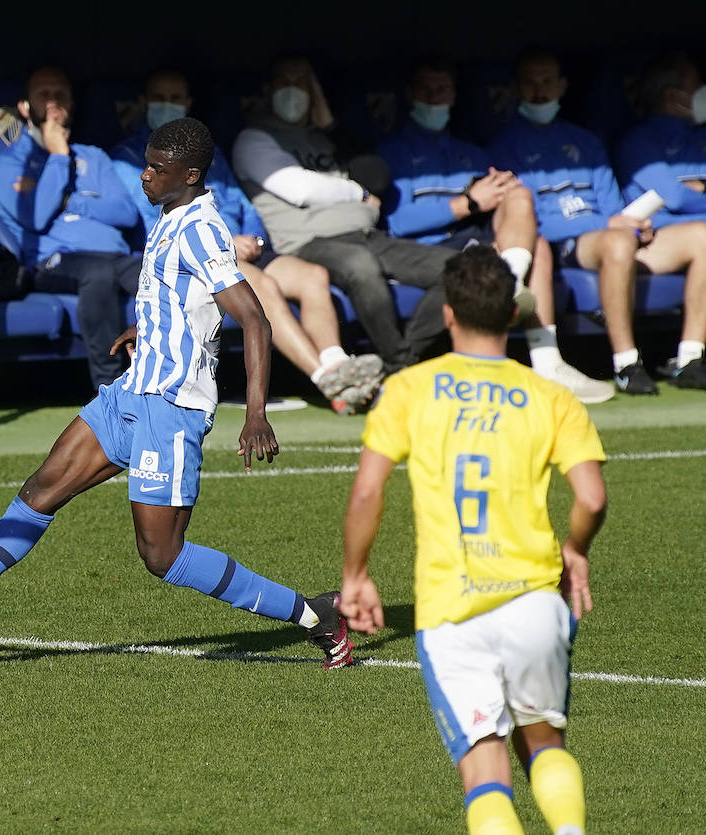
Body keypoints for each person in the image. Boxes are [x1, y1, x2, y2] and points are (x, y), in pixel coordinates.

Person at [0, 118, 355, 670]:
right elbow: (179, 297)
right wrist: (143, 329)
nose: (145, 175)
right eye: (146, 164)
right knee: (39, 492)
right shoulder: (170, 215)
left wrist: (255, 414)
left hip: (171, 408)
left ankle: (316, 615)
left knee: (161, 555)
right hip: (130, 391)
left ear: (191, 176)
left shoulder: (201, 227)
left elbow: (254, 320)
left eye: (158, 169)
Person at [340, 246, 606, 835]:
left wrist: (356, 575)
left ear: (449, 315)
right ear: (513, 314)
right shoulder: (552, 396)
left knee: (485, 768)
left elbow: (365, 494)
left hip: (450, 610)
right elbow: (590, 498)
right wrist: (576, 550)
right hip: (536, 599)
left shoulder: (410, 389)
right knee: (544, 742)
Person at [110, 68, 384, 414]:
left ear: (188, 103)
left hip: (241, 247)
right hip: (195, 255)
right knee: (262, 286)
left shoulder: (207, 153)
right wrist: (227, 242)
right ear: (143, 102)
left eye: (176, 98)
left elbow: (244, 204)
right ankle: (327, 378)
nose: (168, 105)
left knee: (313, 276)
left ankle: (336, 362)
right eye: (160, 98)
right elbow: (157, 220)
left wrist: (253, 239)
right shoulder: (132, 156)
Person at [377, 57, 615, 404]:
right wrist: (465, 204)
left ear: (454, 95)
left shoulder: (473, 153)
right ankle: (521, 308)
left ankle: (542, 350)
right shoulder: (391, 153)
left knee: (524, 209)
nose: (434, 97)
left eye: (442, 89)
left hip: (472, 243)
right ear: (410, 94)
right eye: (426, 90)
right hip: (419, 250)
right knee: (534, 245)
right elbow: (393, 222)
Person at [489, 49, 706, 395]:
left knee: (701, 236)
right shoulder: (503, 145)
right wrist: (612, 227)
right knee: (618, 241)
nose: (540, 91)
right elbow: (527, 221)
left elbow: (612, 207)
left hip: (603, 235)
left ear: (562, 86)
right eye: (530, 83)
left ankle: (690, 359)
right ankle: (626, 363)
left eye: (547, 81)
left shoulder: (585, 141)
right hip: (560, 243)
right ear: (516, 89)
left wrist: (633, 224)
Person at [233, 55, 455, 373]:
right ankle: (401, 364)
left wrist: (329, 125)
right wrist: (358, 193)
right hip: (308, 242)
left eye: (302, 83)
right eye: (286, 82)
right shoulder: (253, 138)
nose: (293, 90)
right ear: (268, 89)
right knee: (360, 265)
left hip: (368, 235)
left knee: (455, 271)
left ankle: (403, 360)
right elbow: (300, 189)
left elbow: (376, 174)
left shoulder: (324, 137)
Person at [0, 65, 144, 391]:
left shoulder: (93, 157)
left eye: (61, 95)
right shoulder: (8, 164)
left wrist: (69, 201)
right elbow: (36, 217)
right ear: (25, 107)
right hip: (52, 261)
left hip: (116, 256)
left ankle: (176, 378)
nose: (53, 102)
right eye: (44, 95)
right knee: (97, 274)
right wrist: (58, 156)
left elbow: (125, 213)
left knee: (161, 271)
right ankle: (109, 387)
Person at [613, 51, 706, 388]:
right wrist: (693, 191)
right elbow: (676, 198)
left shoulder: (700, 137)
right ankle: (691, 360)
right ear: (672, 96)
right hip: (652, 241)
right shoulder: (641, 141)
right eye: (698, 86)